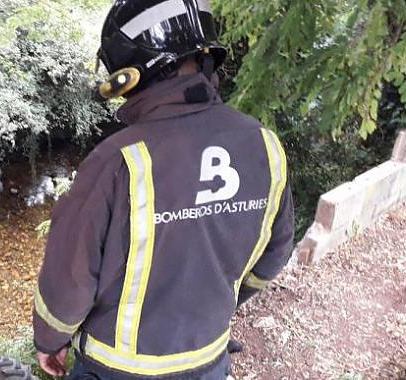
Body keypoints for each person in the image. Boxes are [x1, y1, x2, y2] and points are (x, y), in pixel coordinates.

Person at [32, 0, 295, 378]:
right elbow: (274, 254)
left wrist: (49, 339)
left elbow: (69, 280)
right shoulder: (265, 146)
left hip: (116, 369)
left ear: (130, 70)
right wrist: (222, 302)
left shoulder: (117, 160)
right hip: (209, 360)